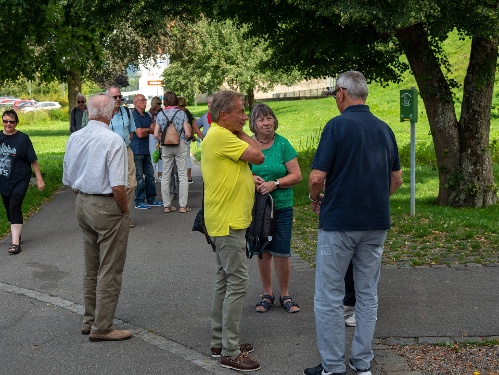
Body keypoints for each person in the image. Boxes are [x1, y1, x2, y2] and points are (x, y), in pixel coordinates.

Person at [304, 71, 403, 375]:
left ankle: (333, 366)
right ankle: (362, 363)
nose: (335, 98)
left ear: (343, 93)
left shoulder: (337, 126)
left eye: (335, 93)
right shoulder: (384, 129)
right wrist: (374, 198)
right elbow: (396, 179)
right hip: (376, 222)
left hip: (340, 222)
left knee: (329, 296)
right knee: (367, 293)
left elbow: (317, 176)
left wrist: (315, 197)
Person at [202, 91, 264, 372]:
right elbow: (259, 154)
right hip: (228, 222)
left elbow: (232, 168)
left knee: (224, 280)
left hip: (225, 220)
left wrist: (245, 177)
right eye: (239, 112)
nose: (244, 117)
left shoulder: (219, 135)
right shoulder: (223, 135)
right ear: (223, 115)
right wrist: (243, 133)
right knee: (237, 283)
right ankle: (230, 349)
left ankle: (219, 342)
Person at [62, 93, 132, 342]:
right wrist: (124, 210)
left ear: (88, 112)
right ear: (111, 113)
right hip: (105, 205)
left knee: (91, 266)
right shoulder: (113, 140)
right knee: (110, 268)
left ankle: (89, 320)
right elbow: (118, 186)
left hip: (82, 202)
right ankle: (102, 326)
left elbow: (68, 179)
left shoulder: (75, 137)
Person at [248, 103, 302, 314]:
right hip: (258, 207)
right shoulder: (249, 146)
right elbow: (240, 171)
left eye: (269, 118)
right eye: (261, 119)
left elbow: (296, 175)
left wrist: (276, 183)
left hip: (281, 206)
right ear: (254, 123)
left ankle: (285, 294)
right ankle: (267, 293)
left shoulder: (283, 144)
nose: (266, 123)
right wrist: (251, 178)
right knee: (263, 252)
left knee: (282, 252)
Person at [0, 109, 45, 255]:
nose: (8, 124)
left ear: (16, 123)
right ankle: (16, 232)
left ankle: (15, 244)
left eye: (11, 122)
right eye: (5, 121)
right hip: (3, 179)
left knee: (14, 207)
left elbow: (33, 160)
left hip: (20, 178)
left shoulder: (23, 138)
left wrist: (39, 178)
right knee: (8, 210)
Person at [153, 91, 192, 213]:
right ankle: (182, 206)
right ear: (175, 100)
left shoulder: (160, 115)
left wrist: (164, 140)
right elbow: (188, 133)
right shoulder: (181, 113)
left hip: (166, 147)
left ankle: (167, 205)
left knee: (165, 175)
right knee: (182, 174)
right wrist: (183, 139)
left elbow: (155, 134)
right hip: (180, 145)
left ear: (164, 101)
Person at [107, 85, 137, 228]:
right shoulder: (104, 113)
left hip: (126, 149)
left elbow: (131, 131)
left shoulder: (126, 111)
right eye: (115, 97)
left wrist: (125, 143)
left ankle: (124, 213)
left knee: (131, 184)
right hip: (110, 153)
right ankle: (115, 216)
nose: (118, 99)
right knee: (112, 184)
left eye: (120, 96)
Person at [130, 94, 163, 209]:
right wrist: (148, 130)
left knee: (150, 175)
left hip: (146, 150)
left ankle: (151, 199)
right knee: (139, 177)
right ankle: (139, 201)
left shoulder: (146, 116)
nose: (145, 102)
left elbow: (154, 128)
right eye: (142, 100)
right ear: (136, 103)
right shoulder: (134, 116)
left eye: (145, 100)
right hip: (136, 150)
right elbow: (139, 134)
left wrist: (146, 130)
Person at [177, 96, 196, 184]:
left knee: (184, 158)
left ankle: (187, 177)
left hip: (183, 137)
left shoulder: (181, 112)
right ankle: (189, 177)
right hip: (187, 137)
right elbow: (192, 124)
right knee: (187, 157)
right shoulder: (188, 112)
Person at [148, 96, 163, 182]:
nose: (160, 105)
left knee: (161, 156)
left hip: (161, 135)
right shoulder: (149, 114)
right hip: (152, 136)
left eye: (160, 103)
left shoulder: (162, 112)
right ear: (154, 104)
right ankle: (151, 175)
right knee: (154, 155)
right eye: (158, 104)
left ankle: (160, 175)